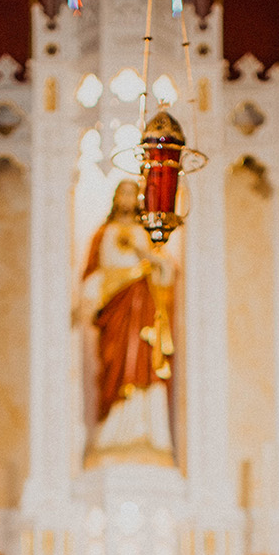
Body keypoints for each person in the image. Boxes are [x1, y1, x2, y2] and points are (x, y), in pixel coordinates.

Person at [81, 179, 175, 465]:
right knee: (115, 366)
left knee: (143, 364)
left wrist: (142, 254)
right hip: (115, 312)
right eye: (122, 193)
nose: (126, 198)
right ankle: (111, 432)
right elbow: (90, 277)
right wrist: (102, 290)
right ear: (115, 198)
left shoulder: (147, 234)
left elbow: (167, 273)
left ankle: (146, 432)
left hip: (142, 307)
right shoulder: (103, 234)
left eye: (132, 194)